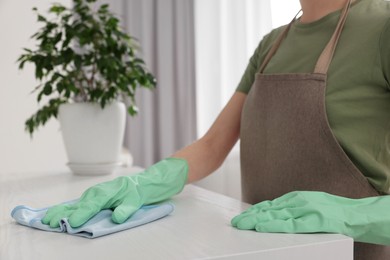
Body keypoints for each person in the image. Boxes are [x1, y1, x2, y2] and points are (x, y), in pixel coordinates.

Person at [42, 0, 390, 259]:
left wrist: (351, 214)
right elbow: (213, 145)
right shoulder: (272, 45)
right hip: (261, 249)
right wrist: (148, 180)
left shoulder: (382, 27)